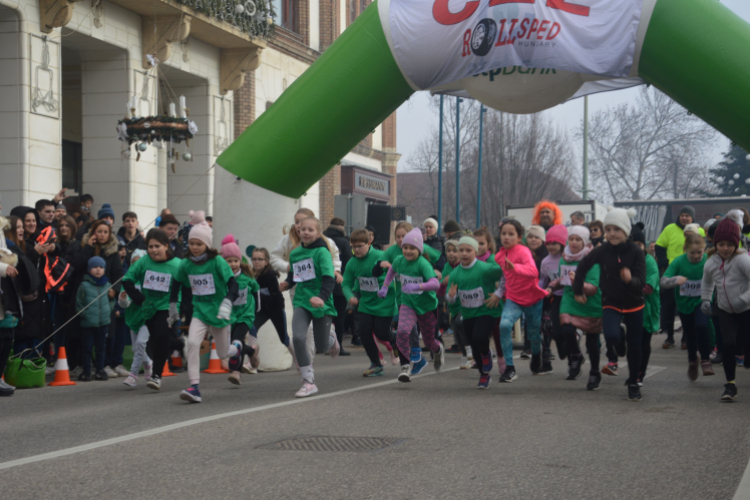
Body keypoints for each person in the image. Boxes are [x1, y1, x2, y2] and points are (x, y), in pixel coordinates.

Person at [573, 208, 646, 402]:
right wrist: (578, 290)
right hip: (611, 302)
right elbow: (582, 266)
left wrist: (630, 280)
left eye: (617, 229)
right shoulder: (602, 251)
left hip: (634, 304)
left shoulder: (637, 252)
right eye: (609, 229)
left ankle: (633, 382)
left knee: (635, 347)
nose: (612, 233)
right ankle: (618, 340)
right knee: (612, 336)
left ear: (626, 231)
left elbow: (641, 283)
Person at [169, 222, 243, 403]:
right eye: (192, 243)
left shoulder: (217, 261)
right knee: (193, 343)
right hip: (200, 312)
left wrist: (227, 302)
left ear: (207, 245)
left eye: (199, 244)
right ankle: (194, 387)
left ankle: (238, 348)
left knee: (224, 354)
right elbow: (177, 282)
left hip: (220, 312)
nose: (194, 247)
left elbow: (233, 284)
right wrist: (172, 305)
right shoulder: (186, 263)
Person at [279, 217, 341, 397]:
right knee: (298, 338)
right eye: (302, 229)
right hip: (302, 301)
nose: (305, 232)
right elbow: (294, 276)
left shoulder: (322, 252)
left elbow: (329, 280)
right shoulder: (295, 253)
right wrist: (286, 284)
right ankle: (308, 382)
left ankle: (332, 339)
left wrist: (321, 298)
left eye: (310, 230)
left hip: (322, 302)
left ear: (317, 233)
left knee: (321, 347)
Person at [270, 208, 342, 357]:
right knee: (303, 331)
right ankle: (306, 363)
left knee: (315, 336)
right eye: (297, 222)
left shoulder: (325, 242)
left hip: (318, 291)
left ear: (315, 227)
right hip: (298, 290)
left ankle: (328, 337)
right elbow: (274, 258)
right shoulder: (288, 240)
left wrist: (335, 270)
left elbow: (334, 257)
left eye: (306, 225)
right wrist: (287, 268)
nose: (299, 226)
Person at [378, 227, 445, 383]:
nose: (408, 251)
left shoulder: (423, 264)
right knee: (402, 331)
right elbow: (392, 271)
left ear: (419, 250)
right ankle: (405, 367)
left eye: (412, 248)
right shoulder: (399, 260)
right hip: (408, 303)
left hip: (427, 306)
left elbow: (435, 284)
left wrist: (417, 287)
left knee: (429, 341)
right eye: (405, 248)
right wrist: (385, 286)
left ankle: (437, 349)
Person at [122, 229, 183, 391]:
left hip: (169, 308)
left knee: (162, 336)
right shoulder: (143, 262)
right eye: (150, 247)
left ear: (166, 246)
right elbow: (127, 281)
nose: (153, 250)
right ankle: (180, 345)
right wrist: (139, 299)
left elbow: (188, 286)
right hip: (149, 308)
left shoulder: (177, 265)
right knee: (157, 341)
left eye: (157, 246)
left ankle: (156, 376)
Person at [701, 218, 750, 402]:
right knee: (728, 344)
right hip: (725, 310)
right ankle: (730, 385)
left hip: (746, 309)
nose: (725, 248)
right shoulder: (711, 262)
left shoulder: (742, 260)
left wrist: (743, 299)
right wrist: (706, 299)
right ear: (716, 243)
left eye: (730, 244)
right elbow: (707, 281)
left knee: (747, 346)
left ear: (736, 244)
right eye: (721, 244)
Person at [446, 236, 504, 389]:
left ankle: (486, 354)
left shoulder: (484, 268)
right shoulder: (455, 274)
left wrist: (499, 293)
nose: (464, 253)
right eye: (461, 250)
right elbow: (450, 299)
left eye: (468, 250)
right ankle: (484, 375)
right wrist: (451, 296)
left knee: (479, 336)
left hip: (487, 311)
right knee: (472, 342)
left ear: (475, 251)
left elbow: (504, 273)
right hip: (468, 314)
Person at [494, 219, 548, 382]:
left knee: (532, 335)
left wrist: (515, 268)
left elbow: (533, 272)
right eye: (504, 233)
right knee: (504, 325)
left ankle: (537, 356)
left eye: (511, 234)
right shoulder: (499, 256)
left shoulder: (524, 251)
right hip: (513, 299)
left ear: (519, 237)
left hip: (533, 299)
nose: (506, 237)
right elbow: (503, 277)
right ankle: (510, 369)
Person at [71, 220, 124, 377]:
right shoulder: (83, 246)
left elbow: (118, 273)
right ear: (93, 232)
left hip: (105, 299)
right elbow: (77, 265)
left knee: (106, 336)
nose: (102, 235)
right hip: (87, 296)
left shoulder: (113, 252)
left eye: (105, 232)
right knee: (85, 339)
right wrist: (88, 247)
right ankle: (84, 367)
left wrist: (115, 289)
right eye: (99, 231)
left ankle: (104, 365)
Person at [553, 225, 603, 389]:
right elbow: (563, 279)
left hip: (590, 302)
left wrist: (578, 282)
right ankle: (575, 355)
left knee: (592, 342)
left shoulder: (593, 259)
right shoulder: (564, 257)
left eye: (578, 239)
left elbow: (593, 287)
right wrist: (551, 287)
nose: (573, 242)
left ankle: (595, 372)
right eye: (571, 239)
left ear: (585, 242)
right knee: (566, 329)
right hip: (570, 299)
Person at [342, 229, 398, 377]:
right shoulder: (352, 263)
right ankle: (376, 364)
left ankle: (396, 341)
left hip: (384, 302)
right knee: (364, 333)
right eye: (353, 246)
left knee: (382, 333)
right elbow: (346, 283)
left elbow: (396, 273)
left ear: (369, 242)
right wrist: (350, 296)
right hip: (365, 303)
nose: (356, 250)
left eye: (360, 246)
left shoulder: (380, 256)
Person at [660, 233, 713, 380]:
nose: (696, 256)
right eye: (692, 253)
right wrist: (675, 280)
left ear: (704, 249)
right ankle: (692, 360)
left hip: (703, 301)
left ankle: (705, 360)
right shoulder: (679, 262)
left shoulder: (708, 262)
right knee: (689, 333)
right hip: (684, 304)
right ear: (685, 249)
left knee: (701, 326)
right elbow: (663, 281)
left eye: (699, 253)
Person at [221, 234, 261, 383]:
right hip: (230, 316)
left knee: (237, 342)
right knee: (231, 345)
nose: (232, 264)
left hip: (245, 315)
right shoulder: (222, 279)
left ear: (240, 261)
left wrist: (256, 310)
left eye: (235, 261)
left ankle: (236, 371)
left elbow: (256, 292)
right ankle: (251, 351)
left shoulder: (247, 278)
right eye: (229, 261)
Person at [655, 205, 695, 349]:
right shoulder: (670, 228)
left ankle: (685, 339)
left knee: (686, 307)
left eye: (687, 216)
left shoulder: (698, 230)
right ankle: (670, 337)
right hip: (672, 273)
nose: (684, 218)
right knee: (669, 307)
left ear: (692, 218)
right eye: (682, 215)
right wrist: (665, 262)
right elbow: (659, 247)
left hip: (688, 275)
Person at [631, 223, 661, 386]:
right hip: (629, 306)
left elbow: (648, 288)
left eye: (639, 245)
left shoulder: (649, 262)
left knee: (643, 342)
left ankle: (639, 375)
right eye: (633, 245)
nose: (636, 249)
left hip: (647, 307)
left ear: (644, 245)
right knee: (632, 342)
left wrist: (627, 285)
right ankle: (633, 372)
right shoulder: (625, 259)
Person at [118, 249, 153, 388]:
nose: (136, 266)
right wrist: (123, 298)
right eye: (133, 263)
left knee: (139, 344)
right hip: (132, 318)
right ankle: (148, 362)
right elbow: (124, 304)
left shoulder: (149, 278)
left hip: (146, 317)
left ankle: (133, 375)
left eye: (139, 263)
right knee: (135, 348)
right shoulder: (128, 279)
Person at [251, 247, 293, 361]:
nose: (256, 262)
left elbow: (274, 297)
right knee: (252, 328)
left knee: (284, 338)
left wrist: (258, 296)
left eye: (260, 259)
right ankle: (253, 358)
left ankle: (297, 359)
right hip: (262, 310)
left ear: (266, 261)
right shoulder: (251, 275)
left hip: (276, 309)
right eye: (254, 259)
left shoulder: (270, 276)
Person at [76, 256, 113, 381]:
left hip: (103, 323)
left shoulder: (107, 285)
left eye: (101, 267)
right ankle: (86, 371)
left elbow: (111, 301)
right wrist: (85, 314)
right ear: (89, 269)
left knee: (101, 348)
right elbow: (79, 303)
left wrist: (108, 310)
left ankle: (100, 370)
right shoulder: (84, 285)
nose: (98, 270)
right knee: (87, 348)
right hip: (88, 323)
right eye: (95, 267)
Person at [473, 227, 504, 371]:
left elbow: (502, 278)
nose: (478, 247)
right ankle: (482, 355)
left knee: (497, 333)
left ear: (489, 245)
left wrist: (498, 289)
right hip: (476, 304)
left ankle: (501, 359)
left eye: (481, 244)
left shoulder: (493, 260)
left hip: (493, 302)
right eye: (475, 243)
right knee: (478, 334)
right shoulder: (469, 260)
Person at [538, 224, 568, 371]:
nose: (551, 246)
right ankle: (563, 347)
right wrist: (538, 291)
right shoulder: (545, 262)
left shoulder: (568, 258)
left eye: (555, 243)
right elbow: (543, 280)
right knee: (555, 330)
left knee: (568, 328)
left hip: (570, 297)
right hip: (555, 298)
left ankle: (573, 352)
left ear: (563, 243)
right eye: (548, 243)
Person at [323, 217, 352, 356]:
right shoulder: (344, 242)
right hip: (340, 282)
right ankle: (338, 346)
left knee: (324, 314)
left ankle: (321, 344)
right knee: (340, 315)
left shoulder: (321, 240)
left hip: (322, 283)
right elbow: (348, 262)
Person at [441, 239, 470, 368]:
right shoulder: (447, 267)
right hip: (453, 305)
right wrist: (449, 294)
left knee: (460, 323)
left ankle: (471, 348)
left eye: (454, 251)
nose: (451, 254)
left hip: (466, 304)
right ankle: (465, 357)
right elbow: (443, 287)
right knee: (457, 334)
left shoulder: (464, 266)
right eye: (448, 251)